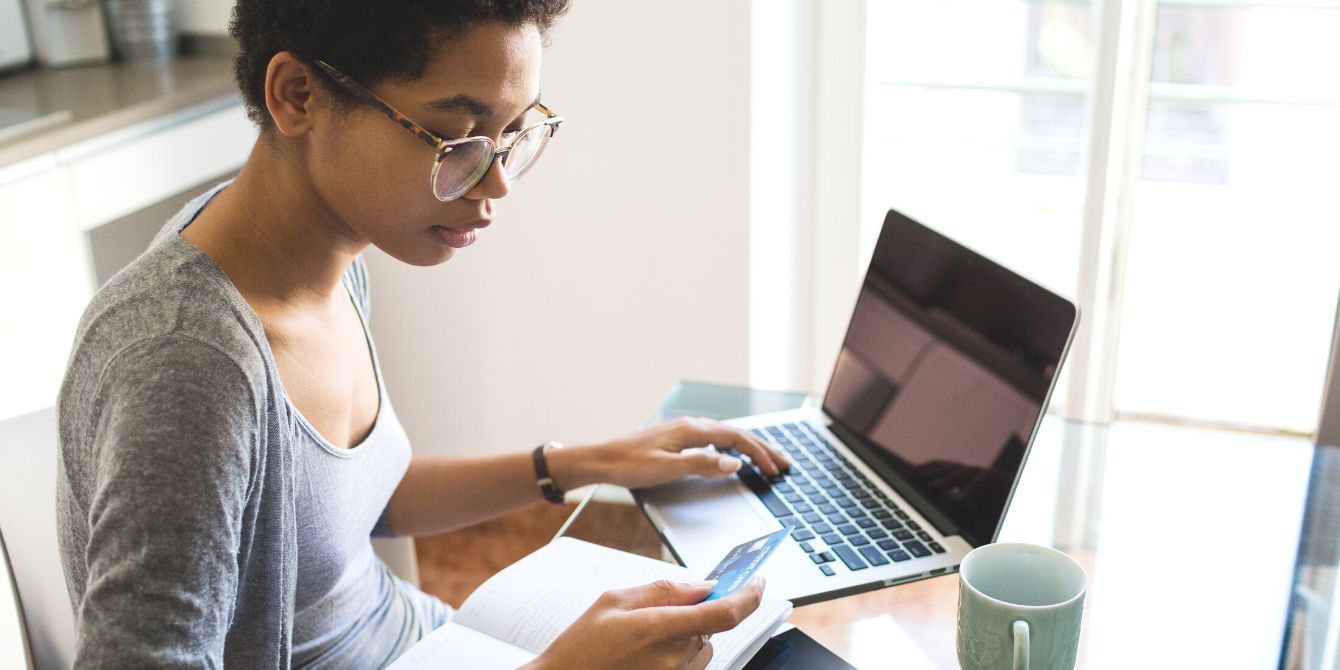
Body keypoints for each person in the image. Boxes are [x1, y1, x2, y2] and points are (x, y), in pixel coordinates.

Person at [54, 2, 791, 668]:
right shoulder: (188, 366)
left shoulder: (329, 257)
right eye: (453, 138)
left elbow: (362, 496)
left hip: (427, 645)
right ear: (297, 96)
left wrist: (594, 461)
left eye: (511, 133)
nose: (495, 183)